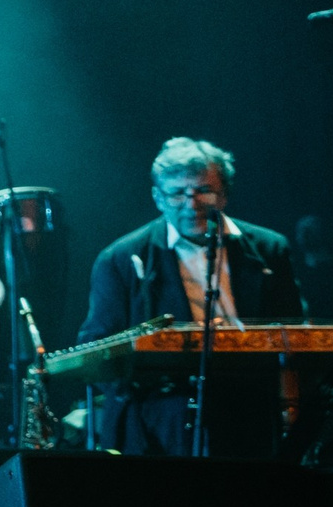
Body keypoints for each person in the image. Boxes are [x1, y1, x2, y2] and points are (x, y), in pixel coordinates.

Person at [77, 137, 304, 458]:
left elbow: (295, 333)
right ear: (158, 197)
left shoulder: (269, 249)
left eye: (203, 190)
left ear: (224, 194)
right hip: (161, 414)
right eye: (177, 193)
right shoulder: (120, 259)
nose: (191, 203)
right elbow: (97, 348)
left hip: (250, 403)